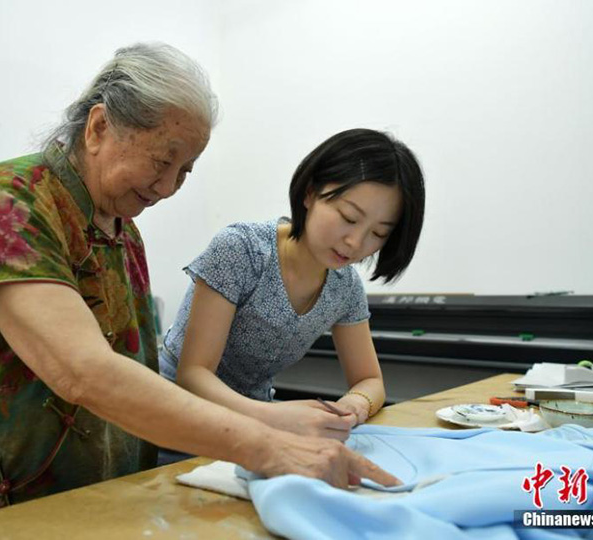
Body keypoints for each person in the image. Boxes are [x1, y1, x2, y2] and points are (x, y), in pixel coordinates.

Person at [0, 43, 399, 533]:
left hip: (99, 498)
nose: (167, 188)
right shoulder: (7, 200)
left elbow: (132, 371)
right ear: (98, 127)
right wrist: (266, 441)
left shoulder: (121, 231)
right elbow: (84, 372)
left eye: (184, 172)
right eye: (162, 162)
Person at [159, 128, 425, 448]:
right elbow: (193, 375)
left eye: (378, 234)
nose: (355, 242)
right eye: (348, 217)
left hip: (256, 426)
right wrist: (276, 416)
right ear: (310, 193)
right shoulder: (242, 250)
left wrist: (354, 406)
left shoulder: (344, 286)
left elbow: (370, 381)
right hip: (175, 418)